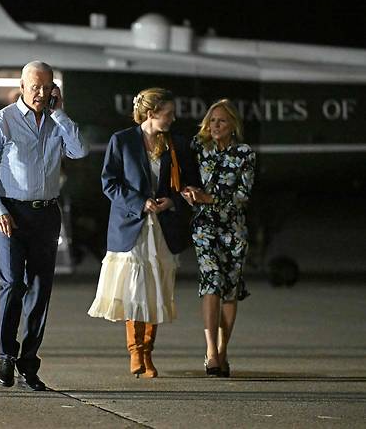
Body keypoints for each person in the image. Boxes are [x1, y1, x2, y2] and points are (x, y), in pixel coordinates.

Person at [0, 61, 88, 391]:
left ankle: (29, 364)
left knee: (41, 289)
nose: (40, 93)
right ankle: (6, 356)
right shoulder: (4, 121)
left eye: (46, 87)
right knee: (13, 285)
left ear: (54, 89)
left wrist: (60, 114)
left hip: (47, 215)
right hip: (10, 213)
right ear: (22, 87)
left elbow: (79, 150)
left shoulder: (55, 122)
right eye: (34, 87)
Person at [88, 88, 199, 378]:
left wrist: (172, 200)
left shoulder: (175, 143)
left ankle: (149, 352)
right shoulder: (121, 141)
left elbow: (188, 181)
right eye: (168, 114)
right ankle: (135, 352)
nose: (172, 119)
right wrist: (140, 202)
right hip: (131, 224)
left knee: (155, 289)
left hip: (162, 227)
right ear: (150, 114)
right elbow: (109, 183)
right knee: (134, 290)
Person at [182, 99, 256, 378]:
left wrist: (209, 198)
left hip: (233, 228)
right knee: (211, 281)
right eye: (212, 120)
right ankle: (211, 351)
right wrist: (187, 194)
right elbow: (180, 174)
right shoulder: (199, 147)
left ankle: (223, 351)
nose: (214, 126)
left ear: (233, 125)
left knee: (229, 290)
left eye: (221, 121)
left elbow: (243, 195)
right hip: (205, 226)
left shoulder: (245, 153)